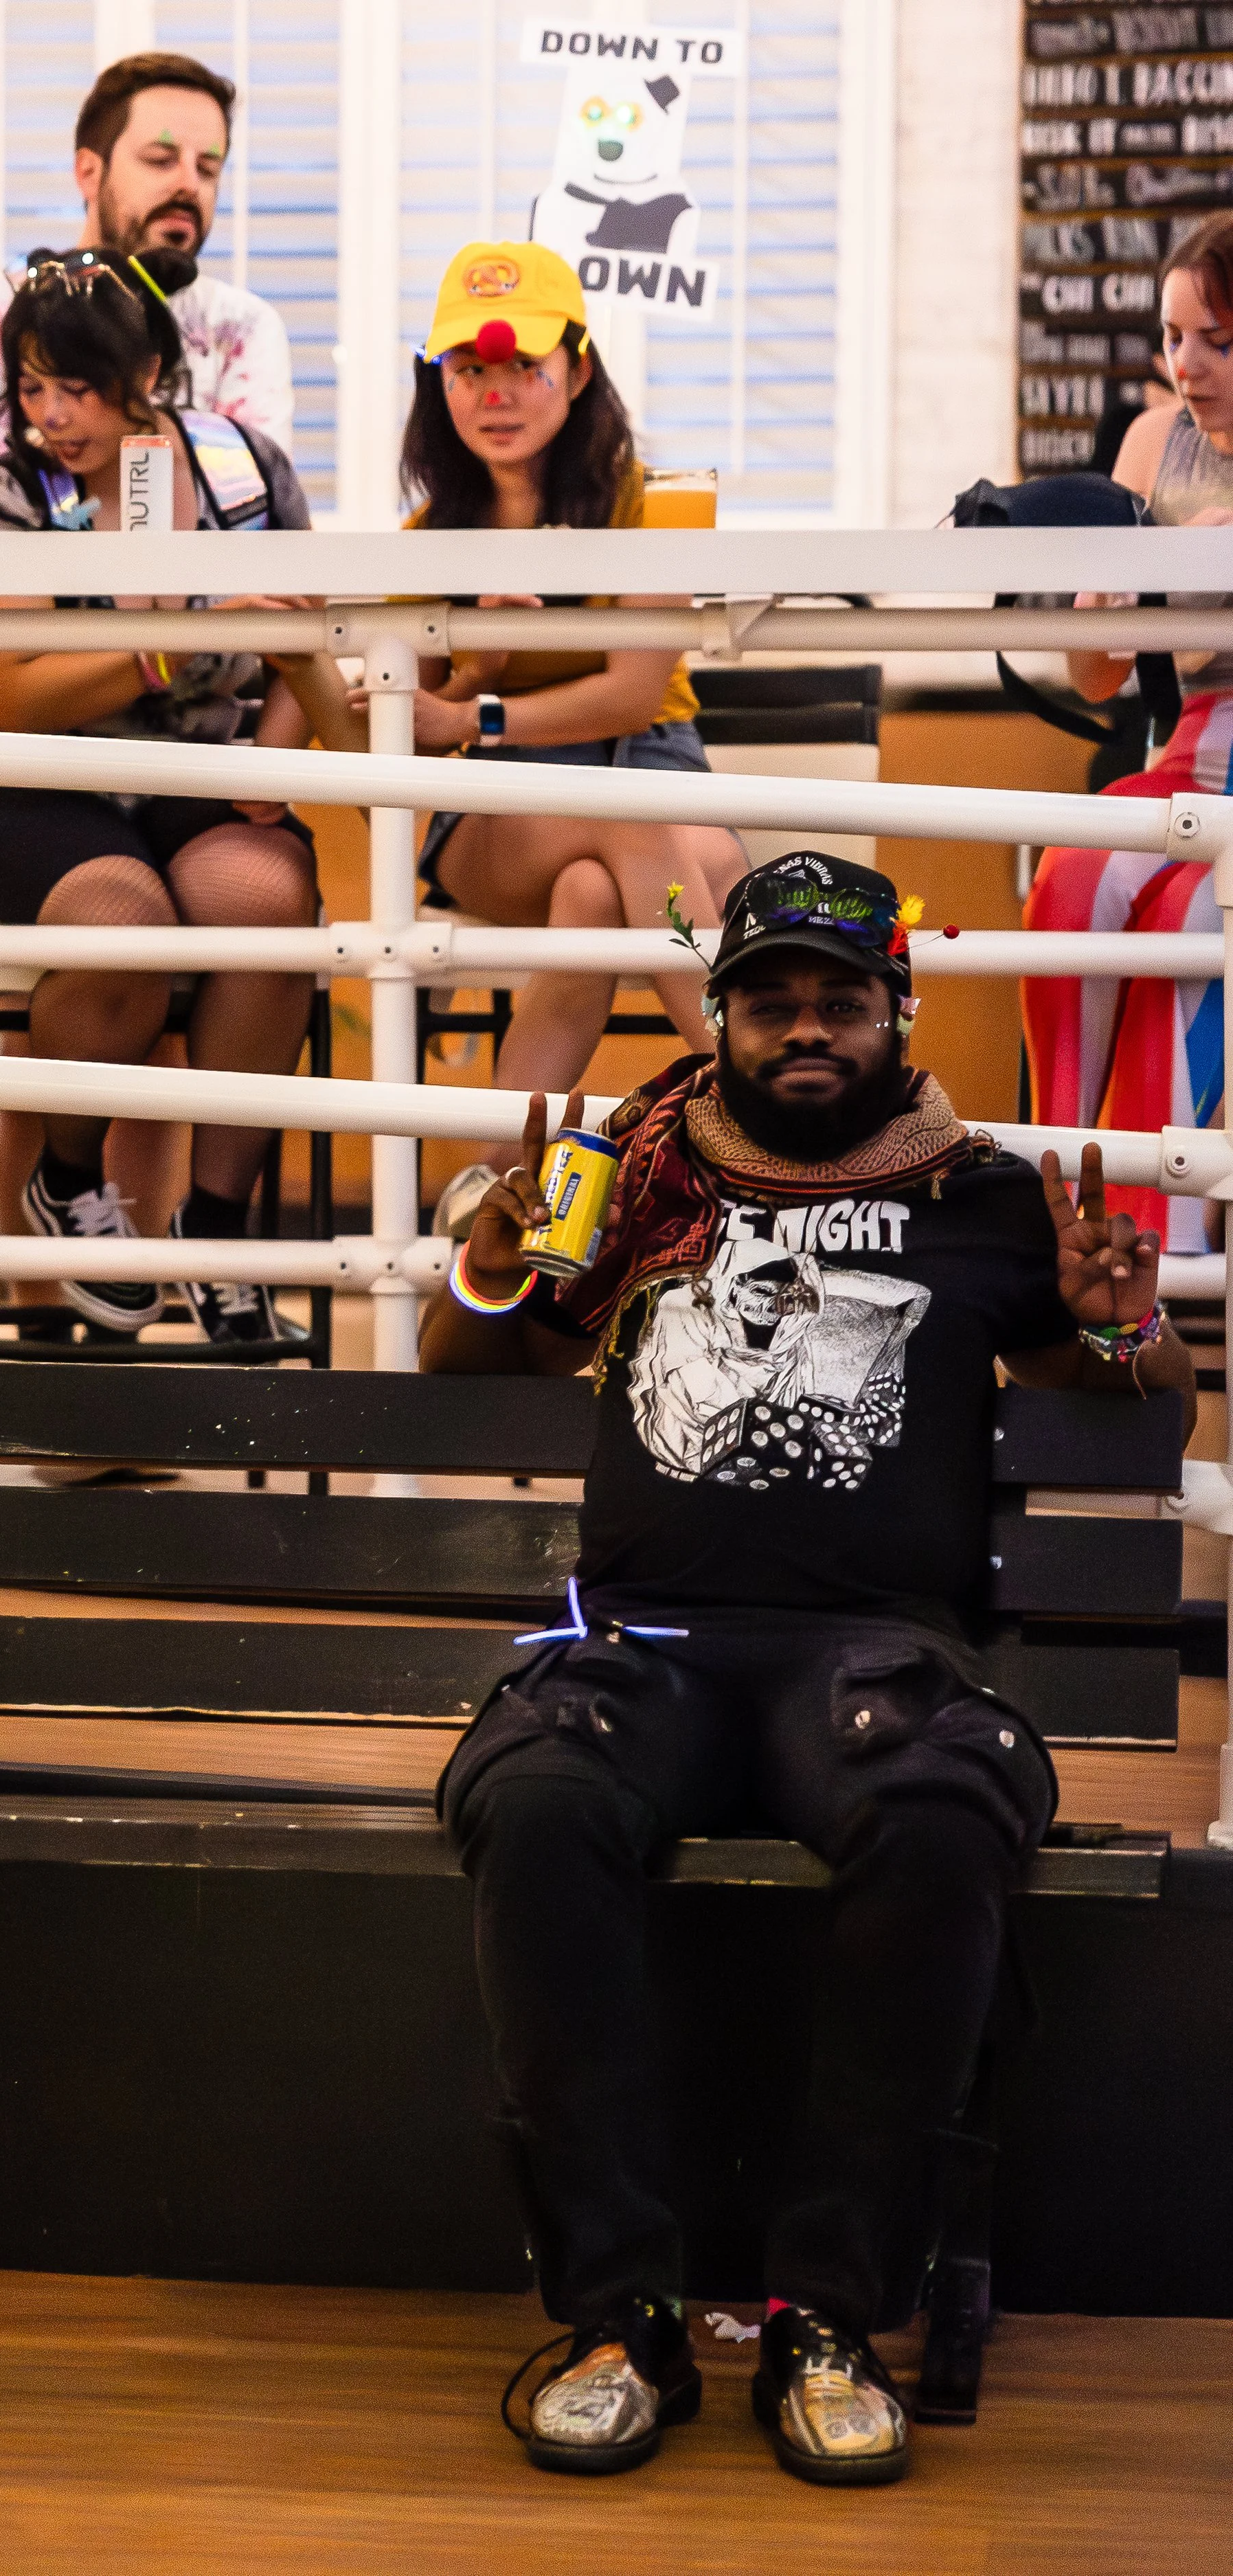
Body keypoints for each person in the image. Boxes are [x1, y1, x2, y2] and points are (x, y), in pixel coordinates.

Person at [421, 848, 1195, 2485]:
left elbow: (1140, 1402)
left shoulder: (980, 1190)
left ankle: (828, 2311)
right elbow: (464, 1355)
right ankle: (615, 2310)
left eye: (840, 999)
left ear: (894, 1010)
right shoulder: (617, 1168)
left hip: (874, 1657)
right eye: (770, 999)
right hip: (643, 1650)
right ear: (723, 1014)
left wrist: (1118, 1322)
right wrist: (494, 1256)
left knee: (939, 1815)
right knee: (542, 1805)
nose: (806, 1029)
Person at [275, 240, 745, 1241]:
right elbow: (390, 741)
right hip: (506, 807)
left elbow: (630, 694)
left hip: (653, 768)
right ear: (436, 381)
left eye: (523, 366)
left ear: (576, 371)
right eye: (469, 368)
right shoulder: (428, 539)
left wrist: (475, 707)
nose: (497, 392)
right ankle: (769, 1106)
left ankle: (495, 1177)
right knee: (637, 833)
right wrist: (458, 675)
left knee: (599, 884)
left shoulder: (646, 504)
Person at [0, 248, 319, 1345]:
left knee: (268, 905)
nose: (53, 416)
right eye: (33, 387)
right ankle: (69, 1174)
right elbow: (21, 693)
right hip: (29, 775)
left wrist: (275, 783)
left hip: (196, 766)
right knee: (122, 921)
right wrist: (167, 648)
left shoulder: (245, 466)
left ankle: (220, 1232)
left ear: (151, 368)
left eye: (78, 387)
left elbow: (305, 640)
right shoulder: (7, 490)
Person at [1025, 211, 1233, 1254]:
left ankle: (1167, 1245)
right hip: (1191, 752)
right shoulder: (1156, 442)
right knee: (1070, 874)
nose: (1188, 367)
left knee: (1194, 918)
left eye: (1220, 342)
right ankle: (1057, 1197)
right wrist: (1100, 600)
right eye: (1174, 338)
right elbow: (1096, 674)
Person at [0, 50, 293, 532]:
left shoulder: (242, 328)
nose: (189, 185)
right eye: (160, 159)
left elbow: (257, 529)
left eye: (208, 168)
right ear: (88, 171)